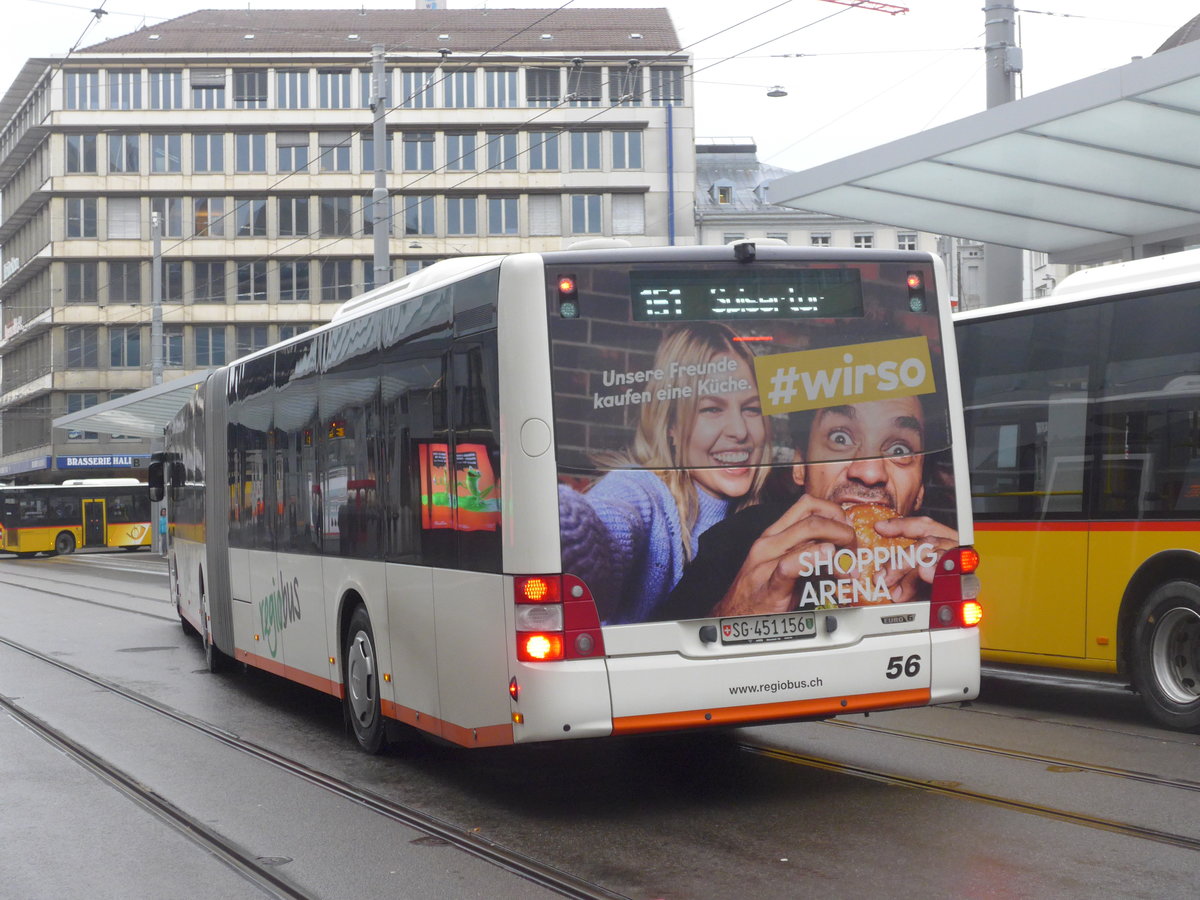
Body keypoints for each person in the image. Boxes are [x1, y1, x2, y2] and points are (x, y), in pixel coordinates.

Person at [657, 394, 959, 621]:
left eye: (900, 449)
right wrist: (736, 613)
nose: (869, 473)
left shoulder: (936, 570)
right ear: (800, 465)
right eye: (840, 438)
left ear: (920, 491)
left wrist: (947, 610)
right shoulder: (734, 543)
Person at [558, 323, 769, 624]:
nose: (739, 430)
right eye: (712, 409)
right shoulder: (640, 491)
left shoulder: (767, 513)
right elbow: (604, 527)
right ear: (671, 425)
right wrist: (556, 527)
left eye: (751, 409)